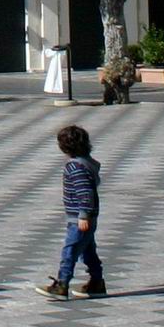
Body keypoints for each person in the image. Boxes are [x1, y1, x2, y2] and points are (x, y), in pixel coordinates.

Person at [36, 124, 105, 300]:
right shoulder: (86, 162)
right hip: (86, 216)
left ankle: (62, 284)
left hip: (80, 218)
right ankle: (97, 282)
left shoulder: (75, 167)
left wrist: (83, 215)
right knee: (88, 251)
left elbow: (85, 193)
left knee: (70, 250)